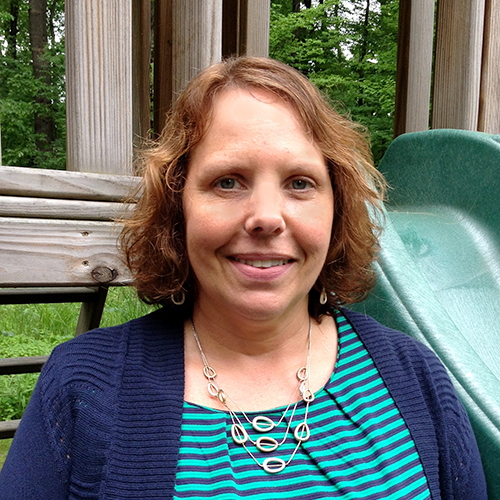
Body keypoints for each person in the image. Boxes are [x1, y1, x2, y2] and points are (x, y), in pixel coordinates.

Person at [0, 57, 487, 499]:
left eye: (300, 183)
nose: (267, 217)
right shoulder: (81, 389)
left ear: (336, 210)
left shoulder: (416, 377)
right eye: (228, 181)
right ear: (178, 207)